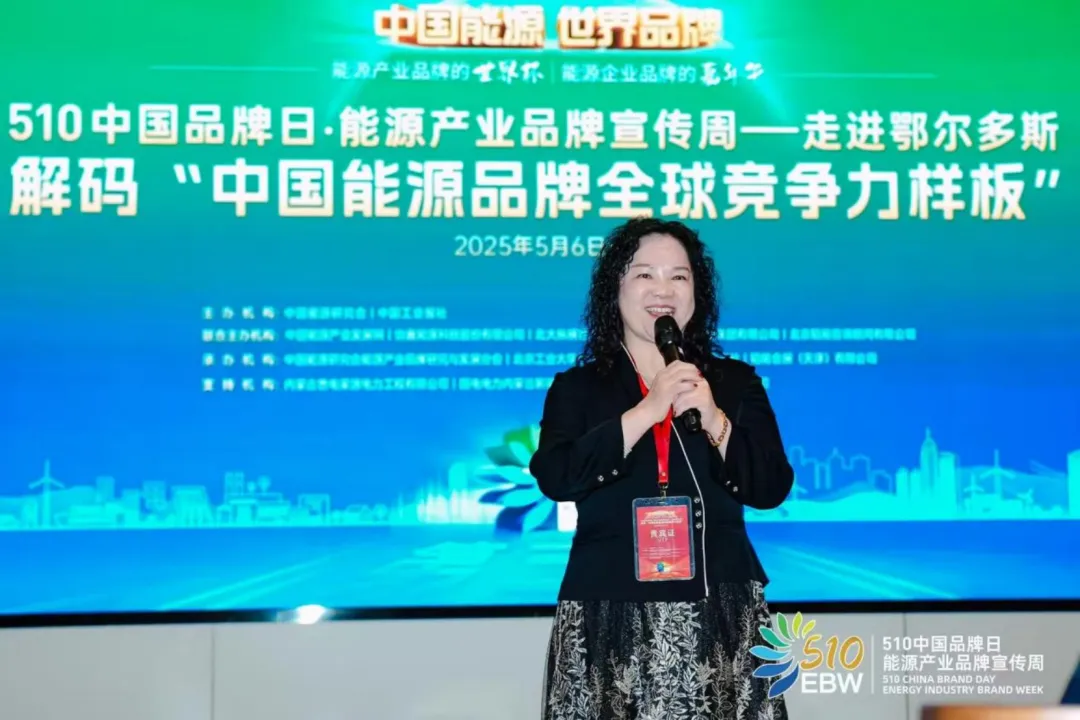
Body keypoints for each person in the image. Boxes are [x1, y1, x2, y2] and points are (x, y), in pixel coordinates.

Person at [529, 218, 794, 720]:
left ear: (697, 293)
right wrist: (646, 412)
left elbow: (771, 487)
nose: (663, 290)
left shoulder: (732, 383)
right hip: (608, 611)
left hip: (721, 610)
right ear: (615, 290)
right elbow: (558, 476)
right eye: (645, 275)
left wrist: (715, 420)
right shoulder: (578, 389)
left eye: (679, 276)